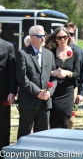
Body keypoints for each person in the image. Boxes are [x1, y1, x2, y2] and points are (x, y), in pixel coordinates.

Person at [16, 25, 57, 140]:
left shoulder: (49, 54)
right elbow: (22, 78)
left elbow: (53, 77)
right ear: (31, 37)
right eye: (39, 36)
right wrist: (38, 92)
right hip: (28, 101)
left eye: (44, 35)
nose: (43, 38)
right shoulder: (22, 53)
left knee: (42, 136)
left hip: (45, 101)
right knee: (24, 133)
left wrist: (50, 92)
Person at [45, 27, 80, 129]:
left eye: (65, 37)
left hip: (68, 92)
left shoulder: (75, 53)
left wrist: (67, 73)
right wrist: (52, 72)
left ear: (68, 37)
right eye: (59, 37)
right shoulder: (50, 53)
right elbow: (44, 72)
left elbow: (77, 74)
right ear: (55, 39)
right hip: (54, 92)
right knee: (53, 122)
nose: (62, 40)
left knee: (65, 121)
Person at [64, 22, 83, 129]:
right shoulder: (54, 49)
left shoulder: (79, 51)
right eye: (66, 33)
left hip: (72, 88)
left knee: (70, 119)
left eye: (71, 34)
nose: (68, 36)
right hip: (55, 88)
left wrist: (81, 93)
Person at [0, 21, 17, 157]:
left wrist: (12, 91)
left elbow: (12, 72)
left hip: (3, 93)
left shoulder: (8, 46)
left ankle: (2, 150)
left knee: (3, 124)